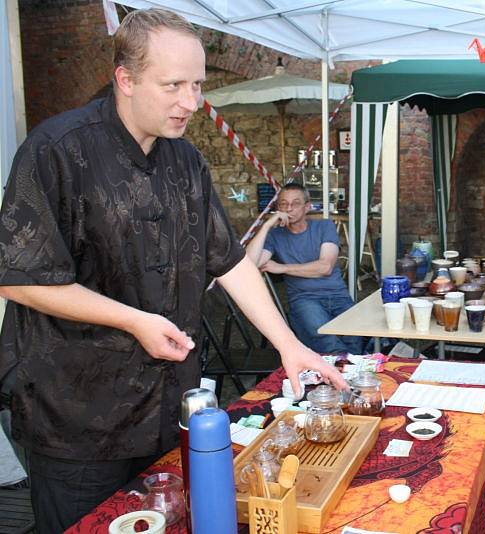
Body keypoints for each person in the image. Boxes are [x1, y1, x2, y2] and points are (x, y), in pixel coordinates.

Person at [0, 8, 346, 533]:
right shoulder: (56, 151)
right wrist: (134, 320)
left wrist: (288, 344)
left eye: (198, 85)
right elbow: (18, 276)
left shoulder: (185, 160)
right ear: (126, 80)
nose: (191, 102)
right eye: (174, 85)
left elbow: (228, 261)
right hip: (75, 418)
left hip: (165, 409)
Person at [245, 183, 364, 355]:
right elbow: (249, 265)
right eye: (284, 204)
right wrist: (265, 226)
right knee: (327, 340)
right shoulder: (274, 236)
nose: (289, 208)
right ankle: (340, 370)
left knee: (355, 338)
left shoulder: (324, 226)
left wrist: (282, 268)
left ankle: (350, 368)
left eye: (295, 203)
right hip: (305, 300)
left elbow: (325, 267)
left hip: (338, 295)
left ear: (307, 207)